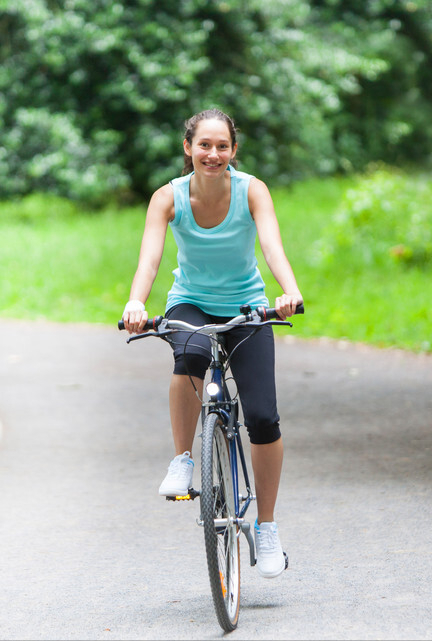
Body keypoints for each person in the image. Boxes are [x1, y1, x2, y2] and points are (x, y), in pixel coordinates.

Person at [122, 108, 304, 579]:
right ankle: (183, 458)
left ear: (233, 151)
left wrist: (289, 291)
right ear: (188, 148)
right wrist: (136, 304)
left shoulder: (252, 191)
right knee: (191, 354)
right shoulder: (168, 198)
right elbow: (150, 258)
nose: (213, 154)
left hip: (247, 307)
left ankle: (266, 527)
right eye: (204, 145)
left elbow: (272, 246)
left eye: (222, 146)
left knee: (263, 416)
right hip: (192, 304)